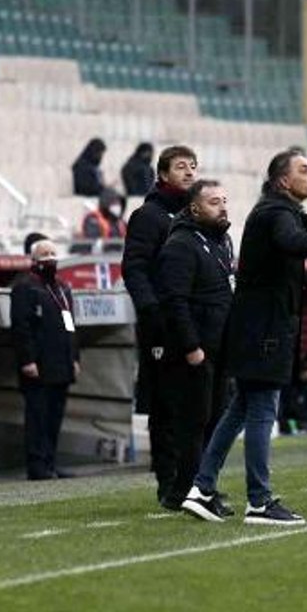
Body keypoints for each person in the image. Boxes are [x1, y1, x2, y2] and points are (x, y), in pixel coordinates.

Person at [181, 149, 307, 526]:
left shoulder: (275, 212)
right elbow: (295, 243)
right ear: (283, 181)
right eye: (305, 170)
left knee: (239, 409)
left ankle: (202, 488)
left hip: (257, 325)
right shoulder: (276, 213)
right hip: (265, 328)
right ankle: (259, 501)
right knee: (261, 410)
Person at [151, 180, 235, 512]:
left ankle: (201, 487)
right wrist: (191, 346)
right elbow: (174, 301)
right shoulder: (181, 245)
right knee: (194, 423)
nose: (223, 207)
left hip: (220, 348)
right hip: (196, 352)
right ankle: (185, 490)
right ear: (195, 208)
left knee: (214, 420)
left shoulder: (222, 241)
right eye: (215, 202)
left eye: (225, 200)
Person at [120, 145, 197, 506]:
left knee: (197, 403)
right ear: (162, 174)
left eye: (193, 167)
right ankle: (168, 482)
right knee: (166, 404)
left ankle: (195, 480)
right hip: (162, 323)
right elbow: (134, 267)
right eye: (181, 167)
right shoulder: (149, 216)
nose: (189, 172)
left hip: (194, 322)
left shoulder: (194, 216)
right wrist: (151, 311)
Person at [10, 240, 80, 480]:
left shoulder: (62, 288)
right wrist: (27, 360)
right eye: (44, 254)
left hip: (61, 364)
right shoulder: (25, 287)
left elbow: (71, 326)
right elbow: (21, 327)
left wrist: (74, 357)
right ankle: (37, 465)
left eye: (53, 253)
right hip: (38, 366)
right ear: (34, 260)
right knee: (38, 417)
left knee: (54, 417)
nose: (49, 258)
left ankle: (50, 462)